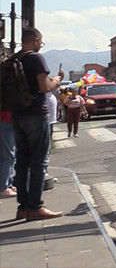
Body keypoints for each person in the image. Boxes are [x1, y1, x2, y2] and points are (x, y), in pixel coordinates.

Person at [11, 27, 64, 220]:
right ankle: (36, 207)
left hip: (17, 114)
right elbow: (44, 87)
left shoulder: (14, 59)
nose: (41, 45)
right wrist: (57, 81)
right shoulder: (35, 58)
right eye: (41, 41)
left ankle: (23, 207)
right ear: (35, 40)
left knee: (22, 161)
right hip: (35, 114)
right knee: (39, 162)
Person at [0, 109, 15, 198]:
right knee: (8, 155)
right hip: (5, 119)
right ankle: (3, 187)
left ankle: (8, 184)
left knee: (8, 154)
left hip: (7, 119)